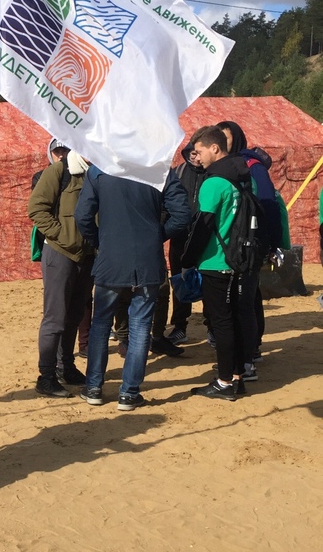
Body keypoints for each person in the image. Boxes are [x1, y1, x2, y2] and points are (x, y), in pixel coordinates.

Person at [75, 166, 191, 410]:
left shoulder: (99, 169)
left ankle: (93, 386)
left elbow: (82, 216)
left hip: (111, 259)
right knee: (140, 326)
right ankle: (129, 392)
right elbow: (182, 213)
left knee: (101, 323)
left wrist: (102, 241)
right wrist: (155, 236)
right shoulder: (159, 167)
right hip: (147, 260)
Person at [180, 125, 253, 400]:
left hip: (215, 260)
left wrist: (187, 260)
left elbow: (202, 226)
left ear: (215, 148)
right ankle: (236, 376)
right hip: (237, 259)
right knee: (233, 318)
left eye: (199, 151)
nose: (196, 157)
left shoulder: (213, 182)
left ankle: (224, 382)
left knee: (220, 323)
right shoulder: (241, 177)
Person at [28, 141, 93, 396]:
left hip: (87, 255)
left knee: (75, 315)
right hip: (60, 253)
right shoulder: (59, 171)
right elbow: (36, 208)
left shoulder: (99, 172)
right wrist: (61, 235)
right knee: (55, 318)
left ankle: (66, 366)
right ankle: (46, 376)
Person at [216, 119, 282, 369]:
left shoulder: (252, 167)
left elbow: (268, 205)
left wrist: (270, 243)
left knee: (246, 299)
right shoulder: (221, 167)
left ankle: (249, 353)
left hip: (250, 243)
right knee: (243, 297)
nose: (222, 144)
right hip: (229, 245)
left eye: (226, 138)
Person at [166, 138, 206, 344]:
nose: (195, 158)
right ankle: (180, 326)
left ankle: (212, 326)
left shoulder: (212, 173)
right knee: (180, 282)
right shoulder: (178, 173)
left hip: (206, 238)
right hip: (180, 237)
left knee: (209, 282)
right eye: (192, 153)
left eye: (198, 153)